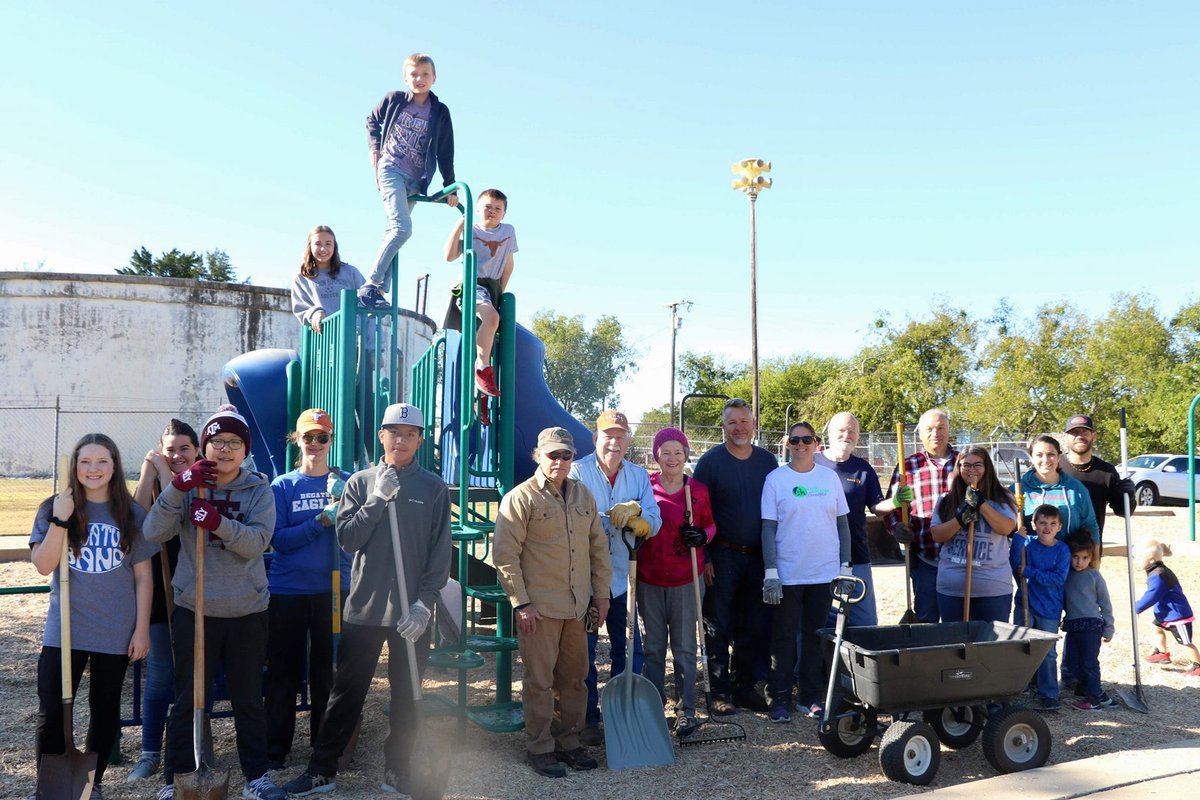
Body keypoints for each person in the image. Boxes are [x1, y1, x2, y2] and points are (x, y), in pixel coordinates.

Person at [283, 403, 452, 796]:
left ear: (420, 440)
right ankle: (322, 770)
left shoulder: (432, 488)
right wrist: (377, 499)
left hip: (412, 612)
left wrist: (425, 603)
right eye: (394, 432)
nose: (402, 439)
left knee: (407, 694)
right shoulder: (359, 483)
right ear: (381, 436)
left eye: (410, 433)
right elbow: (349, 539)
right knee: (347, 693)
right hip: (365, 607)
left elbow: (439, 553)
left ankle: (398, 770)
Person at [144, 404, 283, 800]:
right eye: (217, 442)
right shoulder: (189, 487)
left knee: (247, 699)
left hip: (246, 609)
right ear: (205, 446)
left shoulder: (258, 489)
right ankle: (177, 779)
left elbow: (258, 542)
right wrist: (179, 486)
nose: (224, 449)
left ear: (245, 449)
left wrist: (218, 522)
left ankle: (256, 778)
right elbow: (153, 531)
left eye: (233, 443)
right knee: (188, 698)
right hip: (197, 609)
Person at [30, 433, 153, 792]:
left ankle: (90, 786)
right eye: (85, 461)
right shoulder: (54, 506)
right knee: (51, 711)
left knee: (104, 711)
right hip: (65, 628)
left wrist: (141, 629)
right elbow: (42, 564)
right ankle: (49, 786)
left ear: (115, 466)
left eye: (102, 461)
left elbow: (144, 577)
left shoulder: (132, 514)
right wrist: (61, 520)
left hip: (115, 628)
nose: (93, 469)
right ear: (75, 466)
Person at [494, 427, 612, 778]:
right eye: (552, 455)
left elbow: (598, 549)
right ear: (539, 456)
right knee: (540, 681)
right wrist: (521, 603)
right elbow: (505, 555)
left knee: (575, 679)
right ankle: (540, 747)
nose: (559, 461)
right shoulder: (521, 498)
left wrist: (601, 594)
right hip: (540, 609)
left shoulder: (583, 496)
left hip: (577, 607)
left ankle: (569, 742)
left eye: (566, 455)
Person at [264, 409, 352, 769]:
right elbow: (278, 541)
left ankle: (324, 747)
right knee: (283, 671)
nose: (315, 444)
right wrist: (320, 520)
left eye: (322, 437)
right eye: (308, 437)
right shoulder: (283, 486)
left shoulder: (347, 482)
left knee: (327, 672)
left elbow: (359, 535)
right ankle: (275, 749)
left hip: (334, 589)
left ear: (331, 441)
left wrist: (346, 506)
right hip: (288, 590)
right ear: (296, 441)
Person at [568, 409, 661, 745]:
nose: (615, 442)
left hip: (624, 580)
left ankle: (625, 714)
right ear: (596, 439)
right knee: (585, 653)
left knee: (630, 650)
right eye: (609, 435)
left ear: (627, 440)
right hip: (587, 582)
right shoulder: (577, 472)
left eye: (621, 436)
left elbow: (654, 515)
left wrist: (643, 520)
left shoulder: (637, 476)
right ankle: (589, 719)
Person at [692, 397, 778, 715]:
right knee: (718, 625)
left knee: (752, 625)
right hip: (722, 555)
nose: (739, 427)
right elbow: (696, 514)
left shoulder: (767, 462)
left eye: (744, 421)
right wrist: (705, 557)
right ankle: (718, 692)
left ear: (753, 423)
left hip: (757, 556)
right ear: (723, 426)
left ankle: (744, 687)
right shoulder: (711, 462)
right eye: (732, 422)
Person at [762, 422, 850, 722]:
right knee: (783, 637)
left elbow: (842, 524)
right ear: (787, 443)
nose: (801, 445)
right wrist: (771, 571)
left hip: (823, 573)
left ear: (816, 443)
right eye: (795, 440)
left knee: (814, 636)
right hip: (788, 573)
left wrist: (845, 567)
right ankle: (779, 699)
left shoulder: (829, 478)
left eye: (807, 439)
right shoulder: (776, 479)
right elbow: (768, 527)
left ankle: (810, 698)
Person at [129, 419, 200, 783]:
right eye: (169, 449)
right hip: (157, 593)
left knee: (192, 678)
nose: (175, 455)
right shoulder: (155, 481)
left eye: (183, 448)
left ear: (196, 451)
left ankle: (191, 750)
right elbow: (135, 521)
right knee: (159, 677)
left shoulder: (202, 483)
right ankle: (149, 753)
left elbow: (187, 509)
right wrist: (148, 472)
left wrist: (165, 471)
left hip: (193, 593)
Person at [359, 53, 458, 310]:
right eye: (413, 74)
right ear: (405, 78)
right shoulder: (394, 99)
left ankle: (379, 291)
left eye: (425, 74)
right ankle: (370, 285)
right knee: (402, 227)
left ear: (434, 78)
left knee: (394, 232)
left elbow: (446, 150)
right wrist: (375, 151)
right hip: (390, 167)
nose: (419, 79)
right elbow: (371, 121)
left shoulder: (440, 111)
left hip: (416, 179)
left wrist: (450, 185)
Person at [637, 427, 715, 738]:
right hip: (650, 579)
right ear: (656, 455)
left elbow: (710, 524)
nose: (672, 458)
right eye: (665, 452)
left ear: (686, 455)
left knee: (684, 649)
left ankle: (687, 710)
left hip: (687, 579)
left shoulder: (697, 490)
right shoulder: (645, 487)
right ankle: (653, 707)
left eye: (678, 452)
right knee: (653, 648)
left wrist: (703, 537)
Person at [879, 408, 956, 623]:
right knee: (926, 621)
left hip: (961, 559)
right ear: (920, 433)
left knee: (959, 622)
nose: (935, 433)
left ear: (949, 430)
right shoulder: (907, 466)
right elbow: (892, 509)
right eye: (929, 429)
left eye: (941, 428)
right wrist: (897, 529)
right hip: (925, 558)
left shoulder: (965, 464)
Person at [929, 446, 1017, 624]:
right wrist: (960, 519)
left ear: (987, 468)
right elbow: (937, 535)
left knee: (990, 647)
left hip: (993, 589)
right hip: (952, 589)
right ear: (958, 467)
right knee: (955, 645)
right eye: (966, 465)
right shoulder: (947, 499)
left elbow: (1006, 528)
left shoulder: (1004, 498)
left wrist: (982, 505)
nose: (971, 470)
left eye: (977, 465)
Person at [443, 188, 517, 397]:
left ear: (504, 213)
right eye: (487, 207)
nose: (492, 211)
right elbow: (448, 256)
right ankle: (482, 368)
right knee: (492, 319)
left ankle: (481, 398)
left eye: (497, 208)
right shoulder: (471, 230)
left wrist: (501, 291)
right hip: (471, 283)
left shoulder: (508, 231)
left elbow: (508, 264)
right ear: (477, 209)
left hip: (492, 286)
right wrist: (459, 226)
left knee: (492, 331)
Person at [816, 411, 885, 626]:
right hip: (817, 557)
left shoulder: (863, 469)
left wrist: (895, 501)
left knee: (865, 623)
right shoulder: (811, 463)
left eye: (852, 431)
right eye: (841, 430)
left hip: (856, 554)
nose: (847, 435)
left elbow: (877, 507)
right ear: (829, 433)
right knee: (814, 616)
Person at [1014, 504, 1071, 712]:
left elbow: (1058, 579)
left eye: (1052, 523)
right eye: (1042, 523)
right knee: (1021, 647)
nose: (1047, 527)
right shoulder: (1027, 545)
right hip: (1025, 603)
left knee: (1048, 653)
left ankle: (1048, 693)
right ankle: (1021, 686)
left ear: (1059, 526)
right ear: (1034, 525)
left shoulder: (1062, 550)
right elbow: (1015, 565)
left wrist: (1031, 572)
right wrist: (1018, 539)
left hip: (1050, 609)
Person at [1059, 413, 1137, 542]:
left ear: (1093, 436)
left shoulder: (1106, 472)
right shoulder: (1056, 468)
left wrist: (1130, 495)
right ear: (1066, 437)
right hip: (1056, 548)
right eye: (1074, 433)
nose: (1079, 436)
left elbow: (1124, 512)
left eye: (1084, 432)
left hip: (1090, 552)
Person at [1062, 533, 1117, 710]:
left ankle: (1093, 699)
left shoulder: (1094, 576)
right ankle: (1098, 693)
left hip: (1091, 626)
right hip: (1073, 625)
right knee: (1071, 662)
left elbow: (1105, 603)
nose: (1080, 562)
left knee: (1089, 662)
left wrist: (1109, 627)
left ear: (1091, 558)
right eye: (1076, 557)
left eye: (1085, 558)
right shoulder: (1066, 575)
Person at [1020, 435, 1099, 547]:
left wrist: (1095, 559)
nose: (1045, 460)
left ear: (1059, 457)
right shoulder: (1019, 490)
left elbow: (1090, 525)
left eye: (1051, 454)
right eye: (1039, 455)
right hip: (1031, 561)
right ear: (1031, 458)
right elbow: (1007, 527)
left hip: (1069, 560)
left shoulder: (1076, 488)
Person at [1135, 539, 1200, 676]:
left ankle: (1197, 665)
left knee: (1185, 641)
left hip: (1177, 615)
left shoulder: (1158, 575)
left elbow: (1153, 595)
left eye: (1139, 557)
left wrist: (1137, 607)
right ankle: (1162, 653)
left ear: (1151, 560)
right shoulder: (1157, 571)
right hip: (1166, 613)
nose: (1136, 560)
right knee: (1156, 627)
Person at [291, 225, 369, 336]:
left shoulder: (350, 272)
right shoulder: (301, 277)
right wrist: (315, 313)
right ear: (310, 246)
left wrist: (370, 347)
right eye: (318, 244)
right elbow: (301, 309)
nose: (323, 249)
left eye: (328, 244)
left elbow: (367, 305)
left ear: (334, 246)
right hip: (322, 341)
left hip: (352, 340)